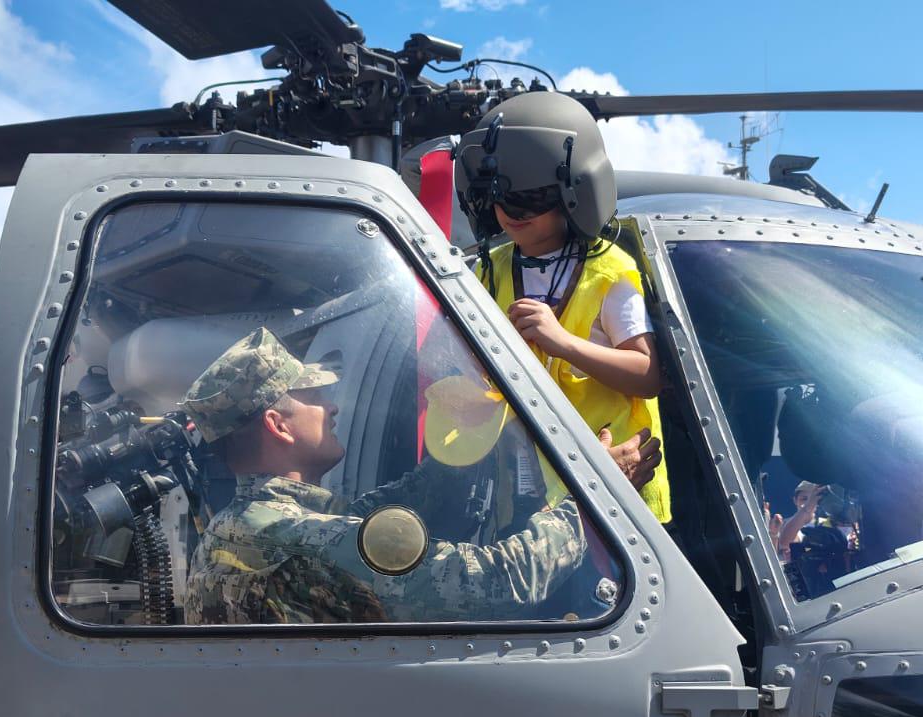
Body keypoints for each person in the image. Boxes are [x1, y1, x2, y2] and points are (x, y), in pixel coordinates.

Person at [180, 328, 659, 625]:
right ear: (278, 424)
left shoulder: (246, 524)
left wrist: (462, 449)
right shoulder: (290, 535)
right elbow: (494, 582)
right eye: (313, 395)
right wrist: (599, 495)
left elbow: (375, 514)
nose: (332, 405)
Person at [454, 91, 672, 524]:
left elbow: (648, 375)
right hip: (527, 495)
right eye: (500, 198)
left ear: (574, 193)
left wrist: (562, 343)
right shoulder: (489, 272)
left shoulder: (608, 270)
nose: (512, 212)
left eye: (531, 199)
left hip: (619, 489)